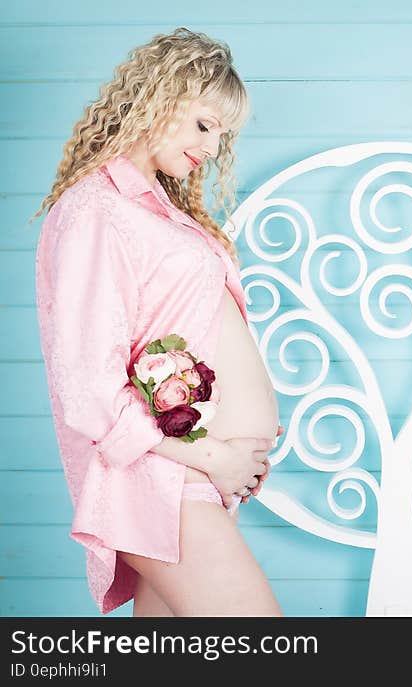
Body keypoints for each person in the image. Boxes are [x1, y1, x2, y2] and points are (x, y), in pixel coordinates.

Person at [29, 28, 283, 616]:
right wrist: (215, 457)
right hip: (164, 483)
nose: (213, 148)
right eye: (203, 124)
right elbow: (90, 390)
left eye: (222, 135)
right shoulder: (97, 208)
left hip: (193, 483)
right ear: (158, 97)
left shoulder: (158, 210)